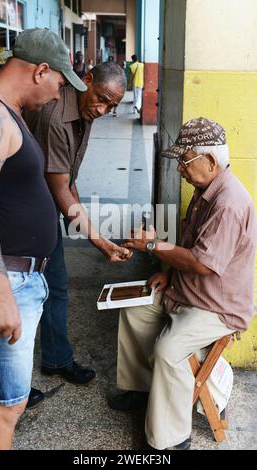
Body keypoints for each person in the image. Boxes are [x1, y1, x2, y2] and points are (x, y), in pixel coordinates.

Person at [108, 117, 257, 450]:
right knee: (135, 312)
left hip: (217, 307)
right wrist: (170, 274)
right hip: (188, 291)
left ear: (211, 162)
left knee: (169, 350)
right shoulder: (206, 189)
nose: (180, 169)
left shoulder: (229, 204)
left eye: (184, 161)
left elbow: (203, 264)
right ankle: (144, 390)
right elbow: (192, 247)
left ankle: (171, 439)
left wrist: (152, 246)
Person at [0, 28, 86, 450]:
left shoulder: (8, 113)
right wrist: (2, 293)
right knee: (6, 407)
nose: (58, 95)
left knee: (6, 402)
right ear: (40, 70)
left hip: (23, 277)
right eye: (60, 85)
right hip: (9, 280)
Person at [24, 62, 132, 409]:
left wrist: (80, 218)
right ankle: (8, 385)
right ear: (86, 82)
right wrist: (99, 241)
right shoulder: (57, 117)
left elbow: (67, 179)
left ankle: (56, 359)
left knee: (56, 288)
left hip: (45, 212)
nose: (103, 110)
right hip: (21, 218)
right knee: (21, 300)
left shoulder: (82, 113)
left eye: (112, 106)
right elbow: (59, 189)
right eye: (101, 99)